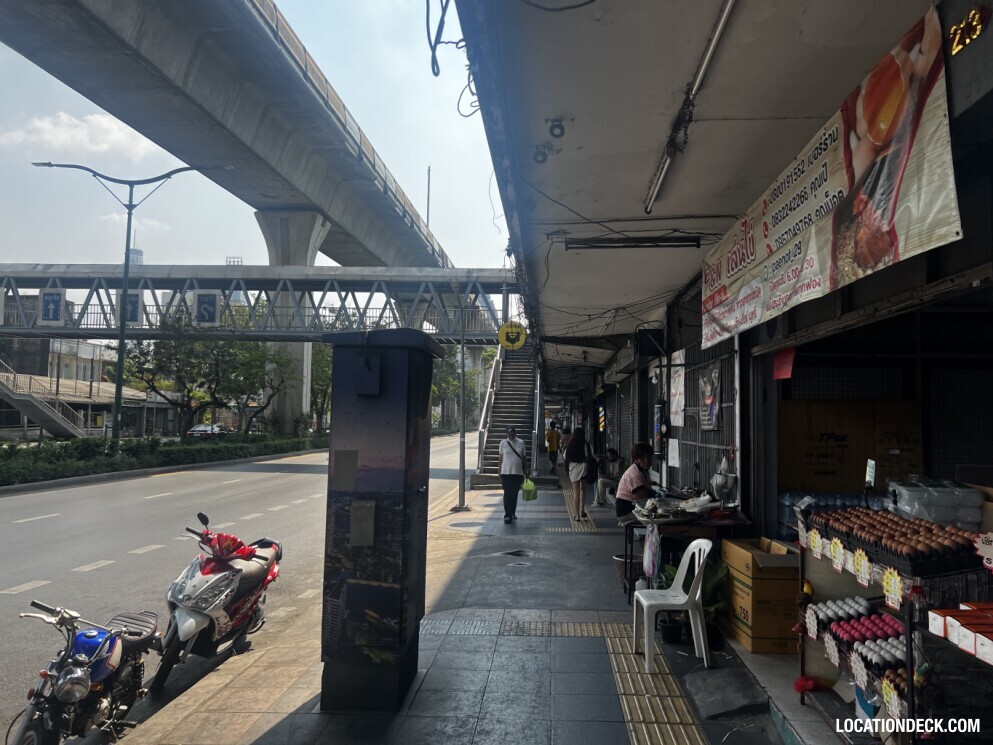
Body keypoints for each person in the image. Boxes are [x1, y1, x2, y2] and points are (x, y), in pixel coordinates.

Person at [615, 442, 655, 524]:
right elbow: (644, 501)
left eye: (648, 457)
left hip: (634, 508)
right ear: (636, 459)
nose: (646, 461)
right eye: (642, 458)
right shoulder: (635, 475)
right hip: (627, 513)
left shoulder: (643, 471)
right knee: (657, 516)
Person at [497, 426, 527, 524]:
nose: (511, 436)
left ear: (515, 433)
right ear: (507, 434)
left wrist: (526, 470)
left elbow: (524, 458)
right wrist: (499, 470)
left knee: (514, 494)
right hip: (506, 472)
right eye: (509, 435)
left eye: (512, 434)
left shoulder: (521, 443)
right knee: (507, 494)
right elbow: (500, 458)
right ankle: (507, 515)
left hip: (518, 473)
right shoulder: (503, 443)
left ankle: (512, 512)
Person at [564, 426, 591, 521]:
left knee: (576, 492)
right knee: (583, 489)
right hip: (583, 467)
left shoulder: (571, 444)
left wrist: (567, 469)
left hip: (574, 468)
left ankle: (577, 515)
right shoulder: (585, 443)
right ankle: (582, 510)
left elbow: (566, 457)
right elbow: (588, 456)